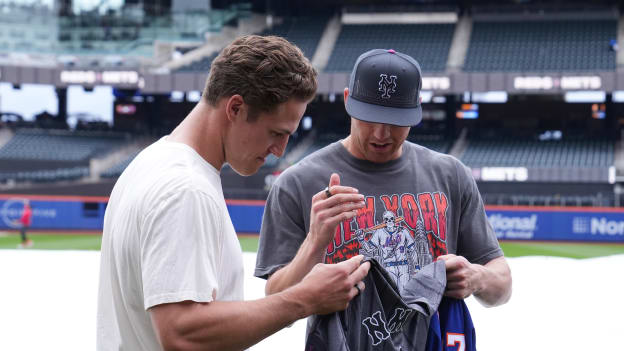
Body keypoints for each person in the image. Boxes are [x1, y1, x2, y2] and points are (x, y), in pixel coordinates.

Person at [96, 35, 371, 351]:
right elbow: (182, 334)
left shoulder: (150, 163)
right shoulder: (186, 190)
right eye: (276, 133)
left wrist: (312, 247)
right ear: (236, 108)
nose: (280, 150)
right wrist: (305, 299)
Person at [255, 48, 512, 343]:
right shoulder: (297, 183)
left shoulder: (451, 175)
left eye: (394, 121)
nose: (381, 133)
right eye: (369, 118)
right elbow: (275, 302)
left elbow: (502, 285)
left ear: (417, 108)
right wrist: (315, 241)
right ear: (347, 99)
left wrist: (476, 278)